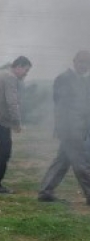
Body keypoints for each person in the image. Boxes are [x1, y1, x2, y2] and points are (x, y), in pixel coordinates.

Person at [38, 51, 90, 204]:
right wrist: (62, 127)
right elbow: (60, 106)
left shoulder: (84, 81)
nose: (85, 66)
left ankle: (46, 191)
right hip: (70, 129)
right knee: (81, 163)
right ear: (74, 61)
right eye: (82, 62)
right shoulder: (64, 79)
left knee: (62, 161)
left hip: (79, 129)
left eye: (88, 63)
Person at [0, 56, 32, 193]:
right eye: (26, 70)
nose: (26, 73)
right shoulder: (11, 77)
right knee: (5, 151)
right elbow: (12, 102)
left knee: (4, 150)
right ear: (18, 66)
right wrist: (17, 123)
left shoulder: (0, 73)